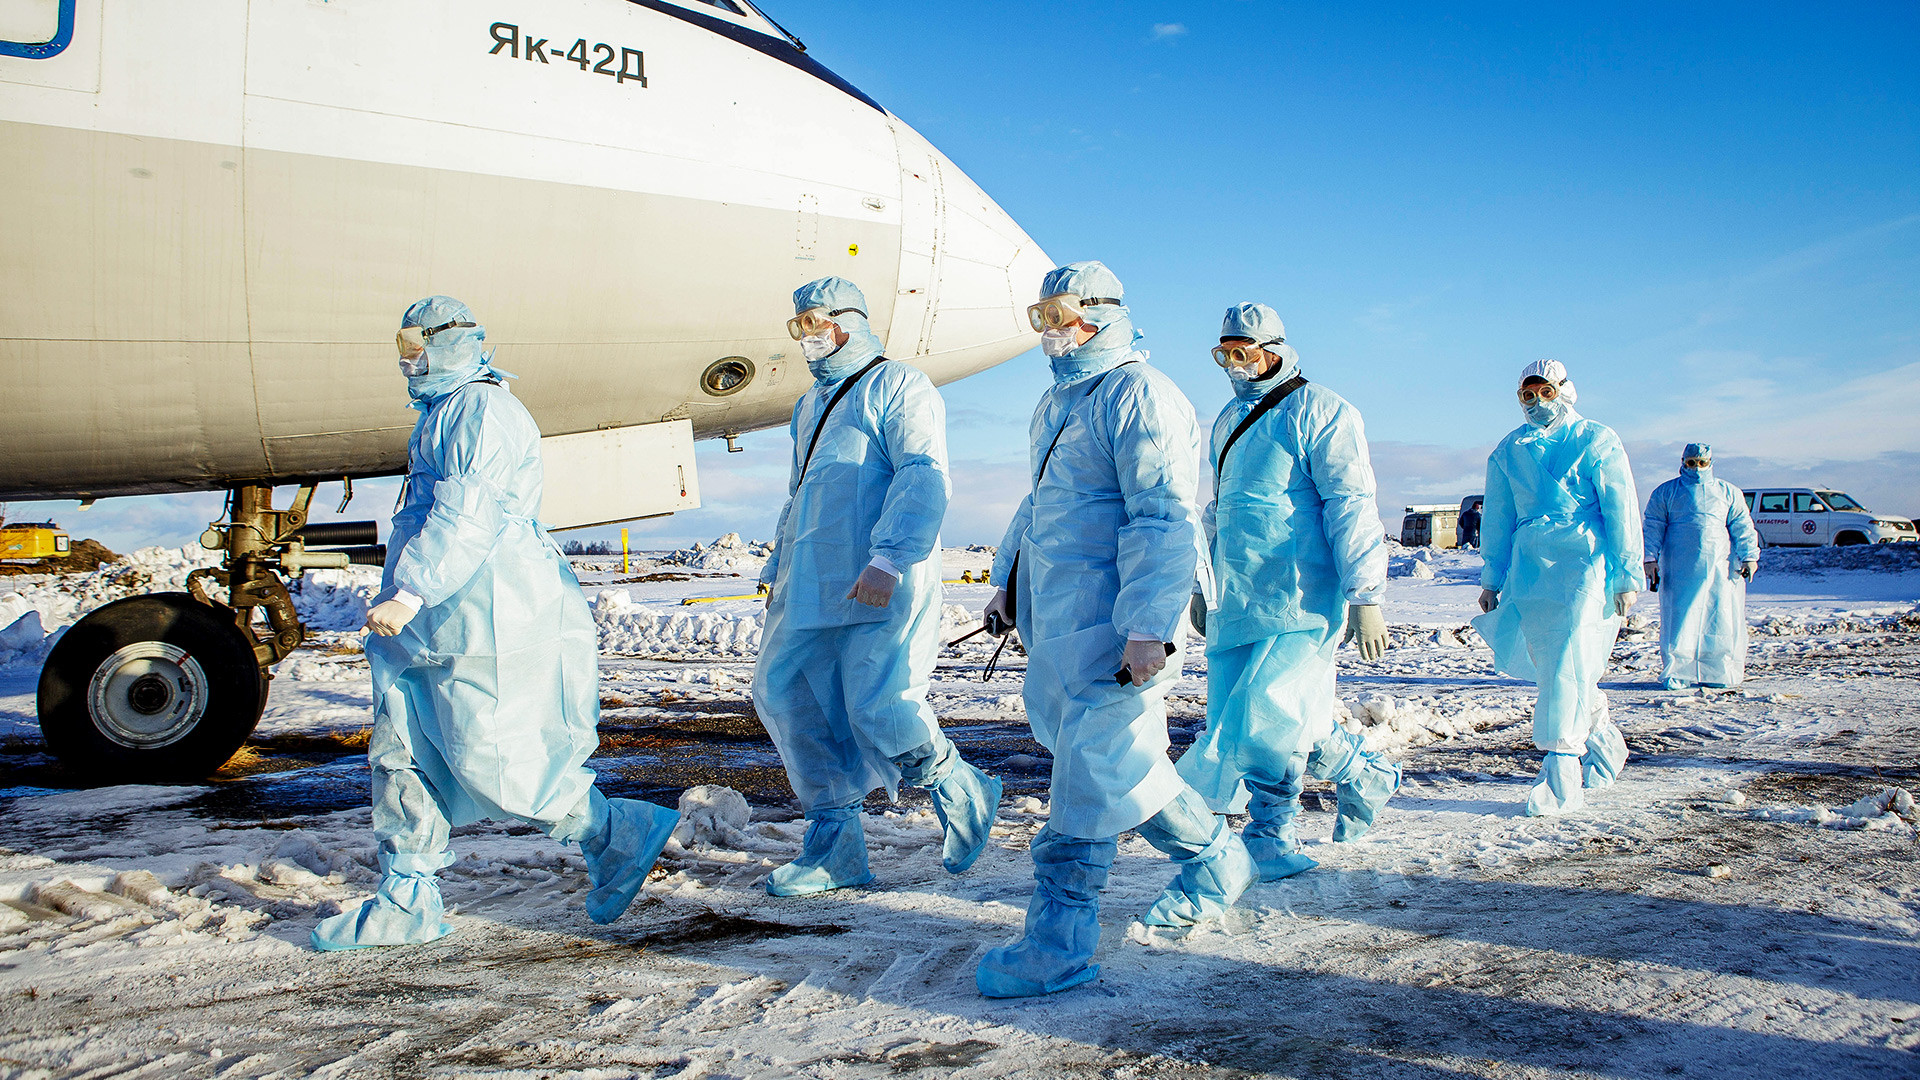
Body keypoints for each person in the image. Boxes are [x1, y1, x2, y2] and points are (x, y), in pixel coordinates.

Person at [313, 297, 679, 950]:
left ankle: (612, 832)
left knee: (495, 757)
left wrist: (412, 591)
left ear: (451, 342)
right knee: (404, 751)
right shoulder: (439, 415)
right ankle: (407, 895)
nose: (406, 356)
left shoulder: (483, 410)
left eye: (415, 341)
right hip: (426, 619)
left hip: (486, 612)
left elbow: (467, 516)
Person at [975, 262, 1253, 999]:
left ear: (1099, 313)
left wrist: (1148, 628)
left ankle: (1058, 944)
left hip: (1122, 628)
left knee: (1089, 781)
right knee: (1122, 767)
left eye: (1059, 313)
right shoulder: (1059, 401)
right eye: (1040, 314)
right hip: (1062, 623)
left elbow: (1163, 517)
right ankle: (1218, 857)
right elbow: (1038, 507)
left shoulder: (1142, 395)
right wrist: (1007, 581)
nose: (1049, 329)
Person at [753, 277, 1001, 897]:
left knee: (880, 707)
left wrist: (889, 558)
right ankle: (835, 848)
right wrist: (777, 563)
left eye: (815, 322)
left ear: (849, 320)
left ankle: (957, 785)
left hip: (876, 576)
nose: (807, 337)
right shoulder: (810, 404)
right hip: (811, 578)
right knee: (785, 693)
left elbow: (922, 474)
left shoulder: (900, 385)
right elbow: (801, 492)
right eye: (798, 326)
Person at [1178, 303, 1401, 883]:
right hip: (1239, 592)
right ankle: (1367, 774)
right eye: (1223, 353)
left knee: (1268, 713)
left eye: (1243, 351)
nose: (1232, 363)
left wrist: (1365, 592)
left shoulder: (1322, 411)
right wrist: (1204, 585)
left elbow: (1350, 502)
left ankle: (1271, 832)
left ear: (1274, 349)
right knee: (1246, 713)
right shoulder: (1228, 418)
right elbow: (1221, 506)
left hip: (1300, 593)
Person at [1471, 359, 1643, 817]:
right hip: (1532, 565)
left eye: (1544, 392)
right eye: (1526, 395)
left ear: (1565, 391)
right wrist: (1493, 576)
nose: (1535, 404)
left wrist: (1626, 572)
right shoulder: (1509, 450)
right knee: (1557, 663)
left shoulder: (1597, 440)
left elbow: (1621, 507)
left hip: (1586, 559)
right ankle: (1603, 739)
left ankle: (1561, 768)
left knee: (1570, 652)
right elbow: (1498, 518)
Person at [1642, 444, 1760, 690]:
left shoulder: (1728, 492)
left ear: (1711, 463)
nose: (1696, 468)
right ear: (1682, 462)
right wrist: (1649, 559)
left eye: (1702, 463)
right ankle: (1678, 671)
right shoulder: (1666, 493)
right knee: (1682, 618)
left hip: (1721, 568)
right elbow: (1652, 527)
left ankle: (1719, 671)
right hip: (1679, 568)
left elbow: (1742, 526)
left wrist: (1749, 556)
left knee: (1720, 617)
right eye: (1691, 462)